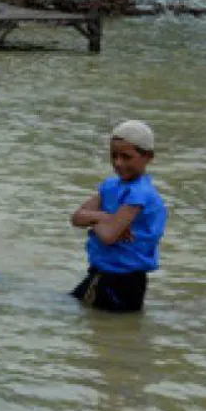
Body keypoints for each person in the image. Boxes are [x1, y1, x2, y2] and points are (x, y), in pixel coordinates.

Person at [70, 120, 167, 312]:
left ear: (148, 157)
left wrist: (96, 219)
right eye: (113, 156)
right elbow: (76, 218)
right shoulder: (111, 186)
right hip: (100, 274)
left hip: (125, 282)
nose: (118, 163)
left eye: (126, 157)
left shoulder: (140, 193)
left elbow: (108, 236)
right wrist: (105, 217)